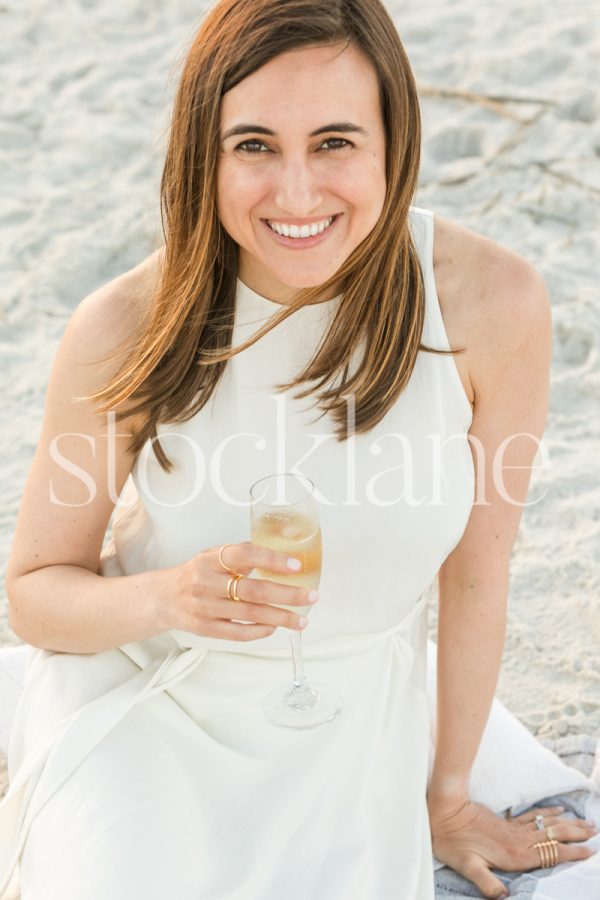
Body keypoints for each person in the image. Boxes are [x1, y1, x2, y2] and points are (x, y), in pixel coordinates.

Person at [0, 0, 597, 898]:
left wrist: (446, 796)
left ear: (394, 141)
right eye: (253, 146)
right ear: (204, 150)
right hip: (151, 702)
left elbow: (478, 572)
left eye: (334, 142)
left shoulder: (489, 304)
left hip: (353, 721)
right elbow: (36, 595)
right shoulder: (126, 325)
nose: (297, 194)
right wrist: (171, 595)